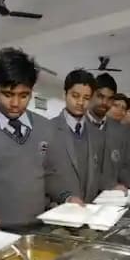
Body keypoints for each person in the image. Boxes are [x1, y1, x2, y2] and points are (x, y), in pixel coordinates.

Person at [0, 48, 78, 229]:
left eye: (24, 96)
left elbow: (50, 175)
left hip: (37, 230)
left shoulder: (46, 128)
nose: (15, 104)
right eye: (7, 94)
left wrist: (67, 197)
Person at [47, 69, 105, 203]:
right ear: (64, 95)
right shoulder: (48, 129)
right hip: (61, 208)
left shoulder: (98, 134)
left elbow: (98, 175)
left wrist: (112, 186)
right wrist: (66, 197)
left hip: (90, 208)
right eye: (75, 96)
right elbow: (45, 176)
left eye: (86, 98)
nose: (80, 102)